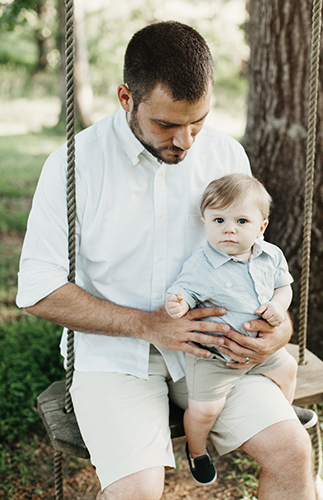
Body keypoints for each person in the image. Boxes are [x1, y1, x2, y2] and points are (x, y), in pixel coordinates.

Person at [16, 21, 315, 500]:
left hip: (217, 351)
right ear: (125, 98)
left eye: (198, 121)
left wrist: (278, 328)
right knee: (136, 492)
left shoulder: (226, 153)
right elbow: (37, 289)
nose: (186, 141)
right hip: (115, 356)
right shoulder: (73, 165)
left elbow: (256, 262)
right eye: (167, 125)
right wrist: (150, 325)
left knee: (293, 452)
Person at [166, 173, 317, 485]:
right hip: (216, 358)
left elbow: (283, 287)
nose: (229, 229)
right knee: (206, 409)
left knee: (288, 368)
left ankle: (284, 409)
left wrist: (278, 306)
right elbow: (184, 292)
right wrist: (177, 304)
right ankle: (197, 451)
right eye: (218, 220)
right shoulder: (201, 265)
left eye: (242, 221)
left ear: (261, 227)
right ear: (205, 223)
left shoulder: (270, 255)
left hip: (261, 348)